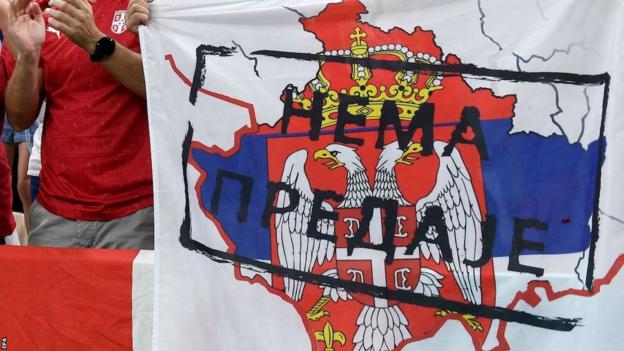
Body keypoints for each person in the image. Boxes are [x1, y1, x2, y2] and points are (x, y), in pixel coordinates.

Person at [4, 0, 153, 249]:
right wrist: (28, 56)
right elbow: (19, 119)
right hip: (54, 213)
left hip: (135, 213)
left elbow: (168, 88)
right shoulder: (41, 9)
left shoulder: (144, 4)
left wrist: (97, 43)